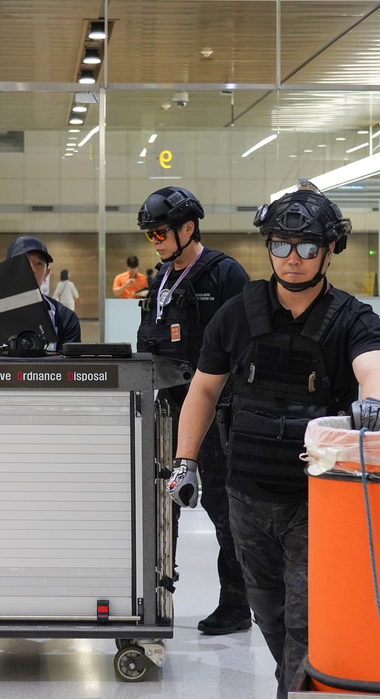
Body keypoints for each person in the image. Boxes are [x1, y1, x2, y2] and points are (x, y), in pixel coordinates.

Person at [166, 182, 380, 699]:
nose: (292, 257)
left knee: (304, 625)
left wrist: (373, 404)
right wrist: (185, 462)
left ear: (329, 249)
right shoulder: (237, 313)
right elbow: (205, 390)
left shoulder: (351, 318)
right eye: (282, 244)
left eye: (306, 246)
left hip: (318, 499)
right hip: (245, 494)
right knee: (270, 618)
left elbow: (377, 372)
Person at [135, 186, 252, 636]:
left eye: (162, 232)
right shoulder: (161, 279)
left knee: (224, 507)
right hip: (166, 406)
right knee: (164, 504)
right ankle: (158, 594)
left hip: (216, 407)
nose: (157, 241)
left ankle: (237, 605)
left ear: (189, 228)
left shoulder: (224, 275)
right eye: (150, 235)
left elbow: (243, 346)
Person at [0, 235, 81, 351]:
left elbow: (71, 371)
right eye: (23, 262)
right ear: (8, 269)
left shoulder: (64, 318)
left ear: (46, 273)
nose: (32, 269)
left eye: (39, 263)